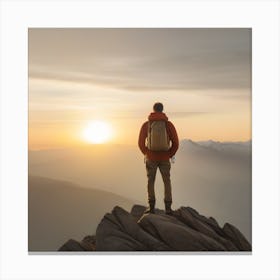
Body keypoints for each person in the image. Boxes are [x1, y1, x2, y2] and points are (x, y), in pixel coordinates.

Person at [138, 102, 179, 215]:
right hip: (165, 157)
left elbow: (141, 143)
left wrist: (147, 153)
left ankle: (151, 207)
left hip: (151, 158)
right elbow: (175, 142)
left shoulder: (147, 124)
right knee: (167, 181)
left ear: (153, 110)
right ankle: (168, 208)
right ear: (162, 110)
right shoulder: (168, 125)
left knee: (151, 181)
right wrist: (169, 154)